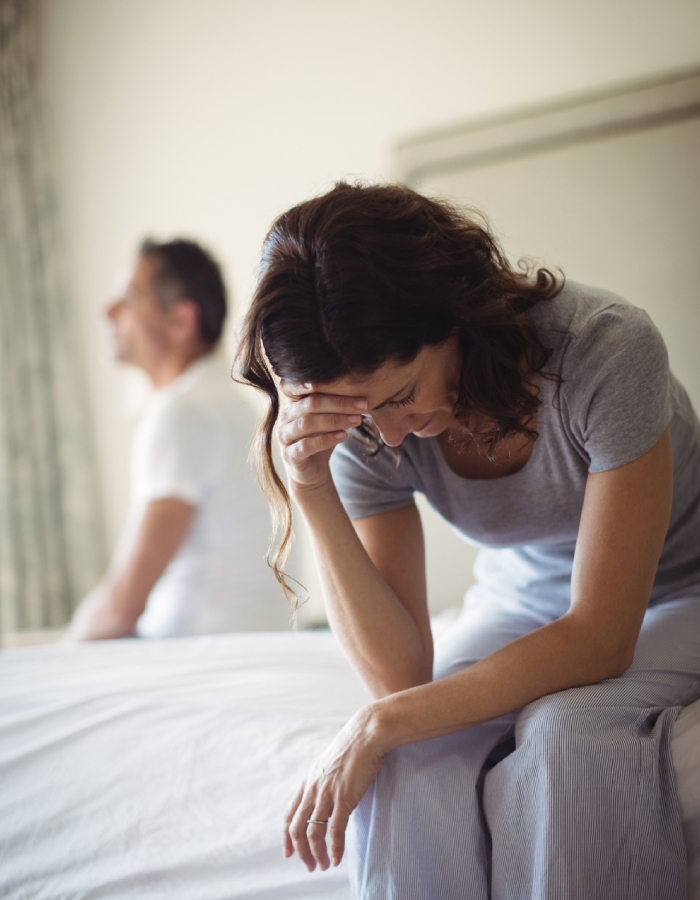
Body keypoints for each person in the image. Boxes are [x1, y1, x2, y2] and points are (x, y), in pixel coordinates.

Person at [235, 182, 700, 899]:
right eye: (362, 415)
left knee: (563, 738)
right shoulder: (361, 421)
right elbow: (400, 675)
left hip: (679, 586)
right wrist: (310, 485)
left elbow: (602, 636)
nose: (385, 434)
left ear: (454, 315)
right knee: (409, 759)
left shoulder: (606, 349)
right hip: (528, 590)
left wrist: (376, 723)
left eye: (400, 396)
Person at [66, 238, 288, 640]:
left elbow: (122, 606)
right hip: (246, 647)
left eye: (129, 297)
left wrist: (60, 657)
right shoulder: (228, 407)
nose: (108, 311)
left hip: (195, 658)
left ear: (180, 322)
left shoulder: (181, 414)